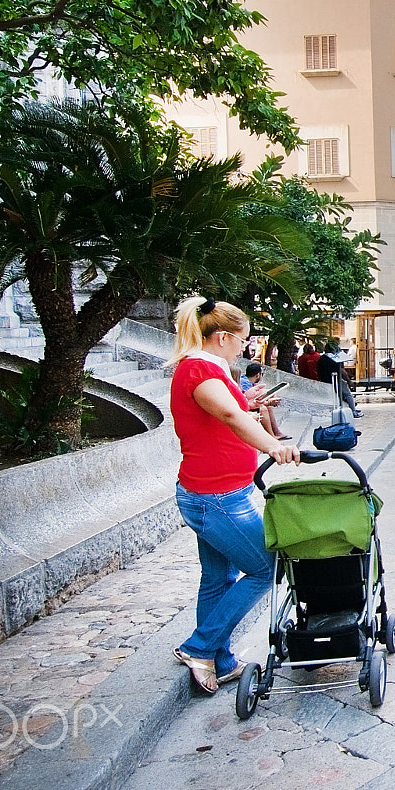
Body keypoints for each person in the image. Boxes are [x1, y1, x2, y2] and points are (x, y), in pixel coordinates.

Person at [167, 296, 299, 694]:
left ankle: (219, 660)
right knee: (265, 566)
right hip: (216, 496)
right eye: (243, 339)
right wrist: (272, 445)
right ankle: (200, 646)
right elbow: (229, 417)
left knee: (218, 577)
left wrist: (251, 401)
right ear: (222, 336)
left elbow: (228, 411)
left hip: (215, 491)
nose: (246, 346)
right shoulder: (200, 371)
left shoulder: (206, 369)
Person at [238, 362, 286, 440]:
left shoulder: (246, 380)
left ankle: (276, 432)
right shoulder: (245, 383)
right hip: (244, 406)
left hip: (248, 404)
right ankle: (272, 436)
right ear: (257, 375)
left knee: (266, 406)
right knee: (263, 408)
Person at [316, 340, 362, 418]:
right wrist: (349, 381)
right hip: (337, 379)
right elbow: (342, 370)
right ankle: (353, 411)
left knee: (338, 396)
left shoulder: (322, 358)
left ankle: (347, 409)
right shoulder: (337, 357)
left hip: (326, 380)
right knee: (347, 394)